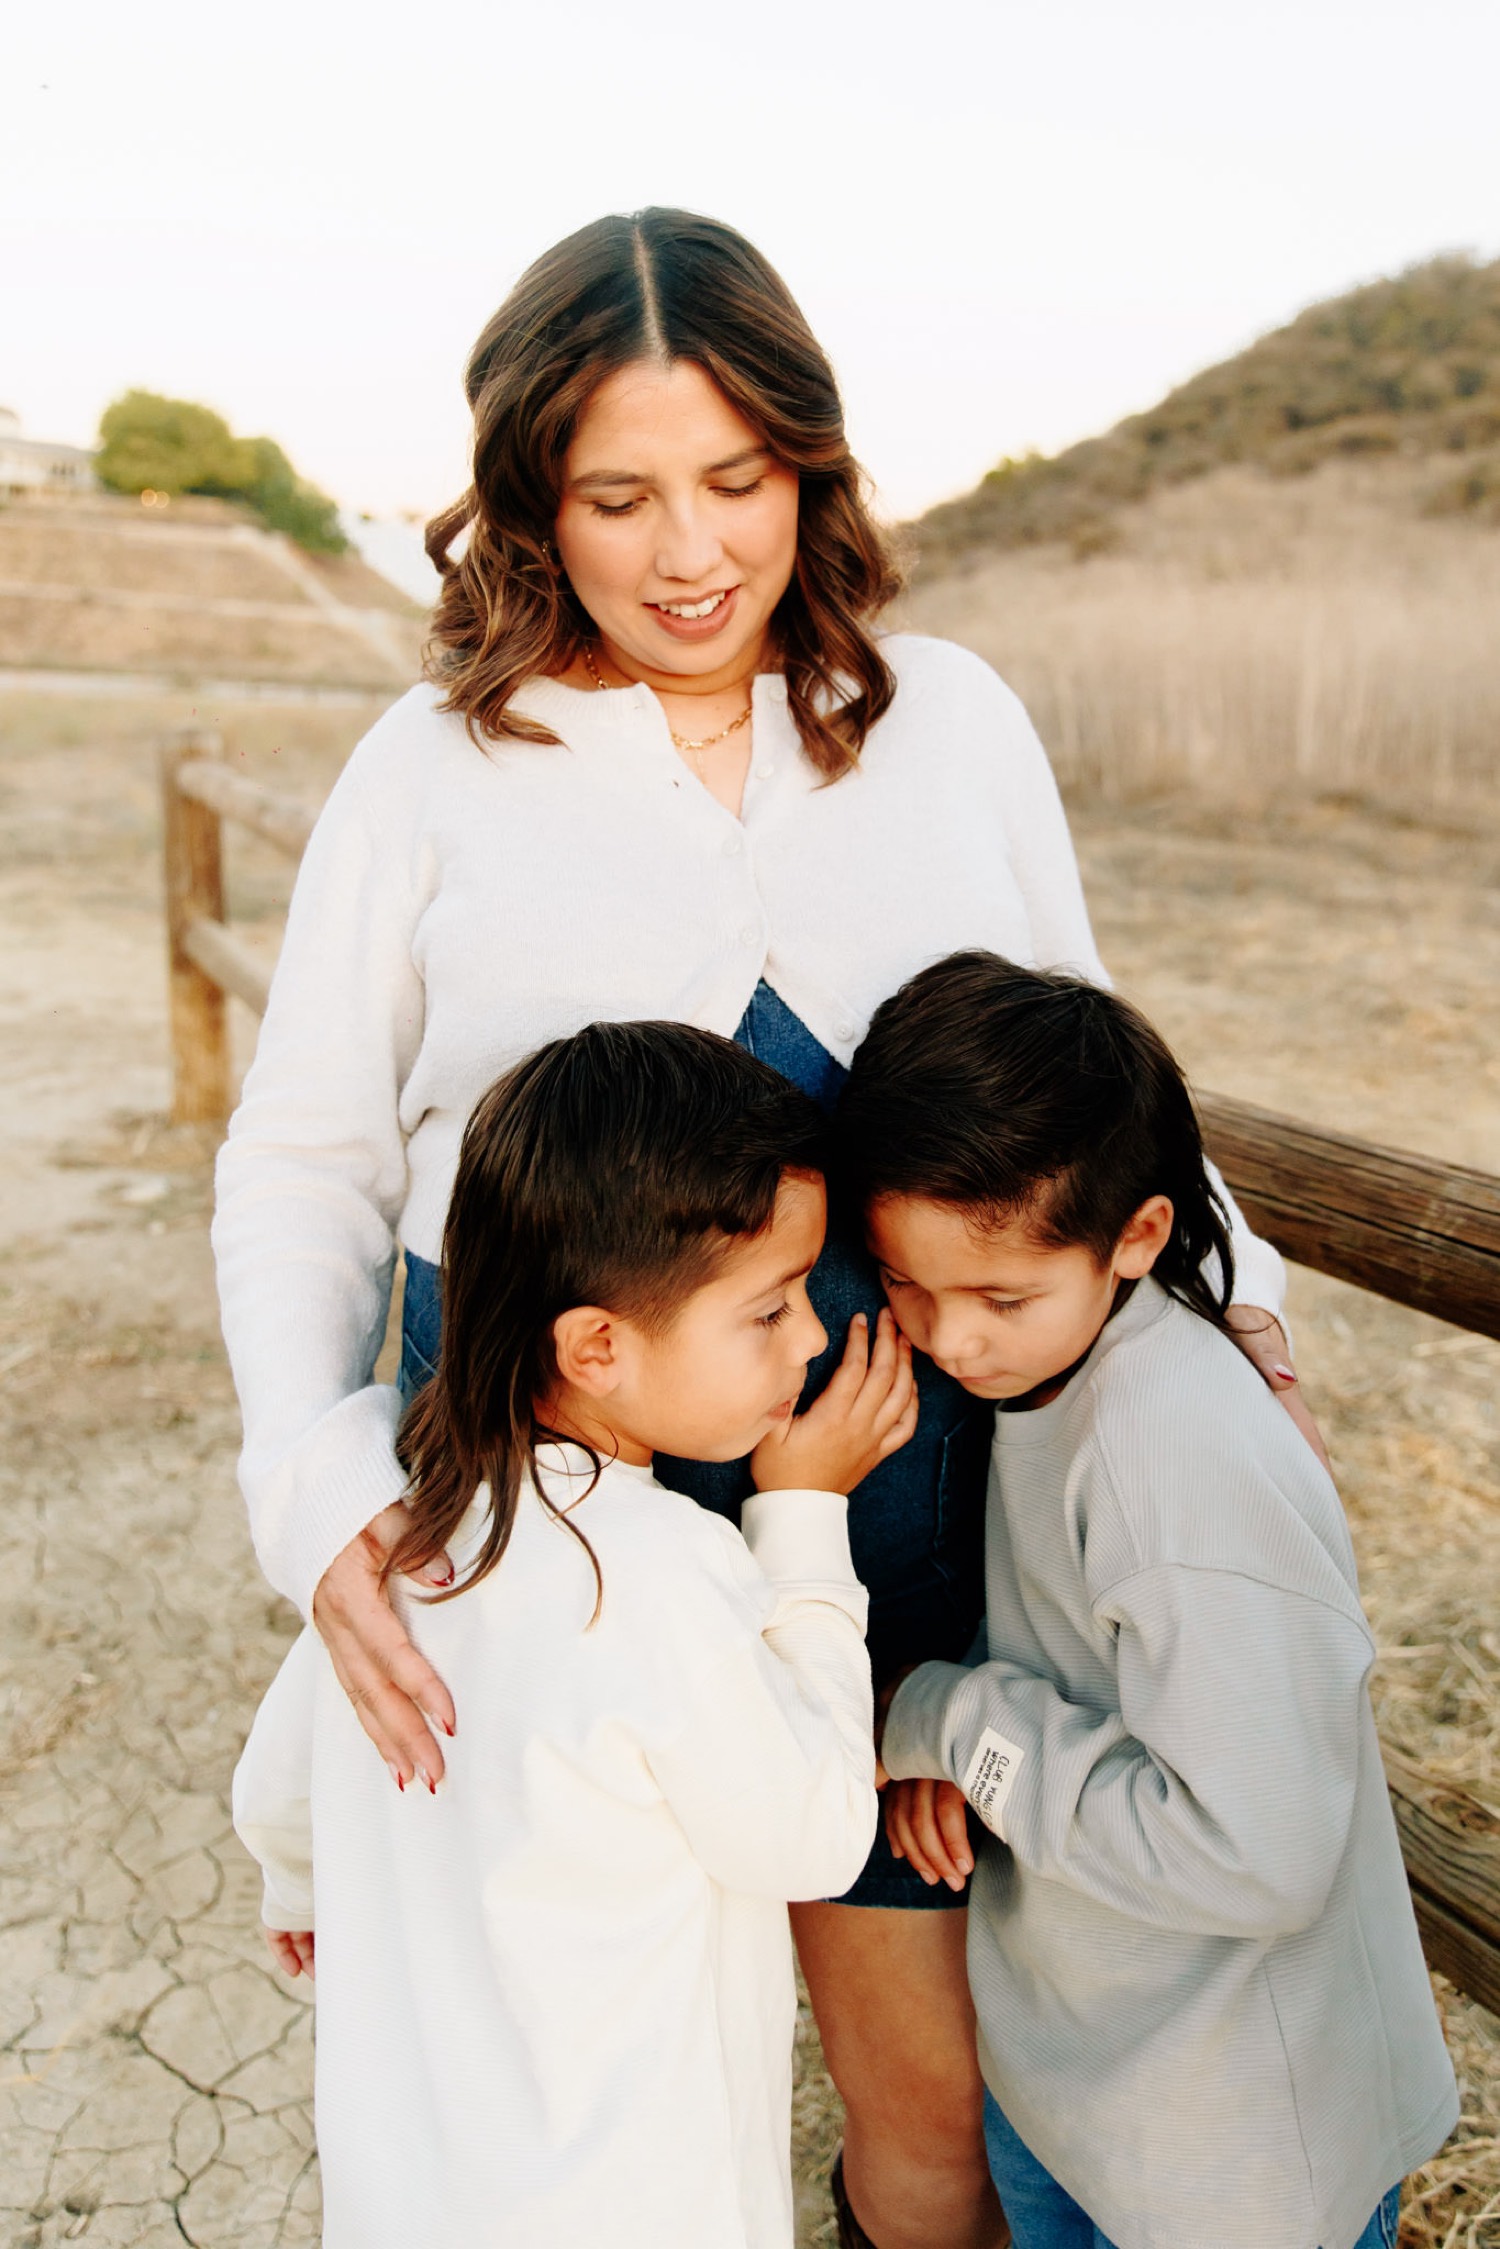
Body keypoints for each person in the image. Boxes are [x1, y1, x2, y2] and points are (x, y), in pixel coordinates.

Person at [214, 207, 1317, 2249]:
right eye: (617, 495)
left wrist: (1231, 1299)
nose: (691, 549)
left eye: (739, 479)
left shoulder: (951, 721)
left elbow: (1087, 1043)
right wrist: (313, 1483)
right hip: (544, 1500)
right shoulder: (433, 768)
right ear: (533, 502)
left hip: (898, 1472)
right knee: (568, 2097)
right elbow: (303, 1154)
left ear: (815, 465)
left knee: (931, 2091)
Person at [232, 1020, 917, 2247]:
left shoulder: (399, 1543)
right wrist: (805, 1518)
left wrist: (300, 1881)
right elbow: (813, 1834)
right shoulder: (658, 1572)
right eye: (770, 1310)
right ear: (595, 1344)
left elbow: (279, 1782)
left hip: (414, 2201)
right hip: (635, 2199)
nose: (813, 1338)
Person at [835, 953, 1458, 2249]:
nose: (952, 1340)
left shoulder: (1177, 1457)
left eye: (1000, 1296)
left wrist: (955, 1722)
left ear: (1140, 1235)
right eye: (907, 1284)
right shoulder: (1046, 1371)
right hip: (1085, 2093)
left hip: (1232, 2163)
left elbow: (1252, 1850)